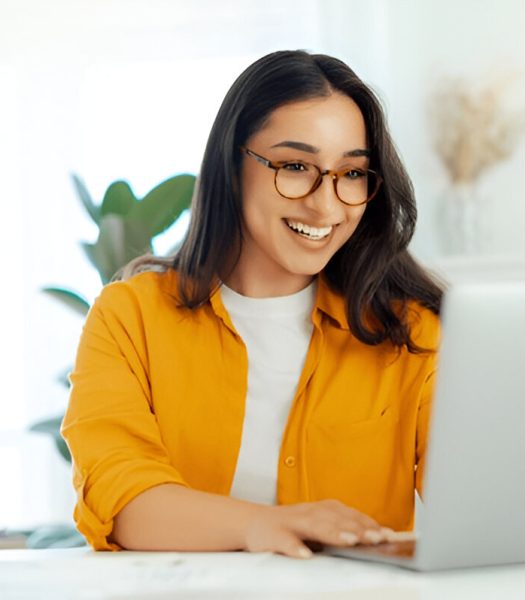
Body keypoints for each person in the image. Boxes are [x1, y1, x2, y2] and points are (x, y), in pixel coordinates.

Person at [61, 50, 444, 559]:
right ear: (231, 164)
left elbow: (482, 501)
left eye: (351, 174)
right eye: (295, 166)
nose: (325, 205)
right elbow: (124, 499)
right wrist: (263, 526)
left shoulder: (413, 332)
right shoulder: (129, 317)